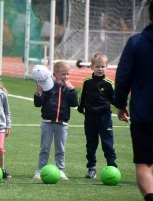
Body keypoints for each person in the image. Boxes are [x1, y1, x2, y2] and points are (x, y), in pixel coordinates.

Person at [113, 2, 153, 200]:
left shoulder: (137, 43)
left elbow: (123, 77)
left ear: (150, 14)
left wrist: (120, 104)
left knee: (144, 164)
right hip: (143, 113)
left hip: (144, 114)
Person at [32, 63, 78, 180]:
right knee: (44, 148)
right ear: (54, 74)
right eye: (63, 74)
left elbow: (74, 104)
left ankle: (60, 169)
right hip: (47, 122)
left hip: (62, 123)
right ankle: (41, 169)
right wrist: (38, 94)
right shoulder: (48, 87)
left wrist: (72, 90)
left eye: (68, 74)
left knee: (60, 149)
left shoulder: (69, 89)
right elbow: (38, 104)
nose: (66, 76)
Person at [77, 52, 117, 179]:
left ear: (107, 66)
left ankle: (112, 167)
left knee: (107, 143)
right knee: (91, 143)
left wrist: (122, 104)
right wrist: (80, 108)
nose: (100, 69)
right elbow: (82, 97)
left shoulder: (109, 83)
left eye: (102, 66)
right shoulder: (87, 82)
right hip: (90, 117)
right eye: (97, 66)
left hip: (105, 117)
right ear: (91, 67)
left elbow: (113, 99)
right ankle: (91, 167)